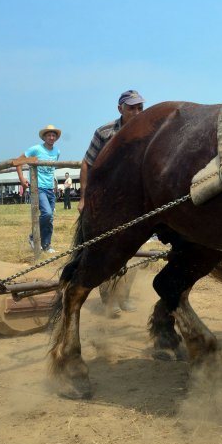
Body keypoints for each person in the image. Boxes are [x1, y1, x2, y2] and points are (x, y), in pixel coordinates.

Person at [81, 90, 145, 316]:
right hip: (106, 199)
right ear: (120, 109)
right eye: (132, 108)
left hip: (135, 199)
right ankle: (109, 300)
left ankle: (124, 297)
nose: (137, 112)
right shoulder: (104, 132)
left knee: (135, 248)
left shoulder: (150, 130)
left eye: (140, 107)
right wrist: (84, 198)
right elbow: (87, 163)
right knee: (105, 248)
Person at [16, 124, 61, 254]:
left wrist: (55, 186)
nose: (51, 137)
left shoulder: (57, 151)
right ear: (44, 137)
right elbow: (18, 161)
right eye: (49, 135)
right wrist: (22, 178)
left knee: (50, 217)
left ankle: (46, 244)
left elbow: (52, 171)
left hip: (50, 188)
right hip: (38, 187)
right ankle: (33, 237)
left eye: (54, 135)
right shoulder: (36, 149)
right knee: (46, 213)